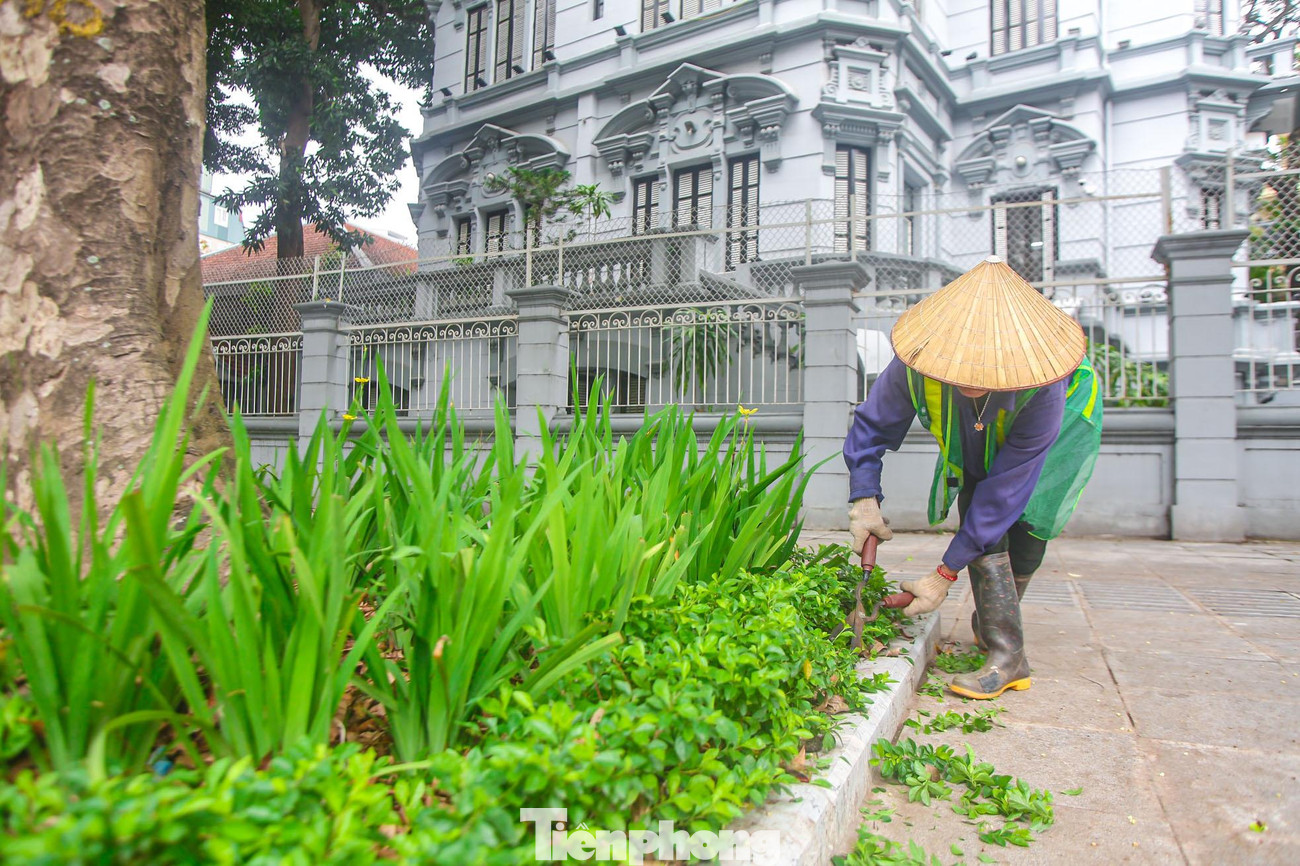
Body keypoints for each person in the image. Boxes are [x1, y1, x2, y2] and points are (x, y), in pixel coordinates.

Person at [843, 256, 1102, 700]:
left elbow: (1004, 493)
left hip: (1065, 427)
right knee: (974, 490)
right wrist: (864, 498)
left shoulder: (1045, 384)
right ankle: (998, 626)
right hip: (977, 424)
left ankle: (1007, 652)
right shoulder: (920, 358)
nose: (969, 379)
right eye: (960, 367)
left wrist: (942, 576)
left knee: (1028, 520)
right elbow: (872, 426)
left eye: (983, 370)